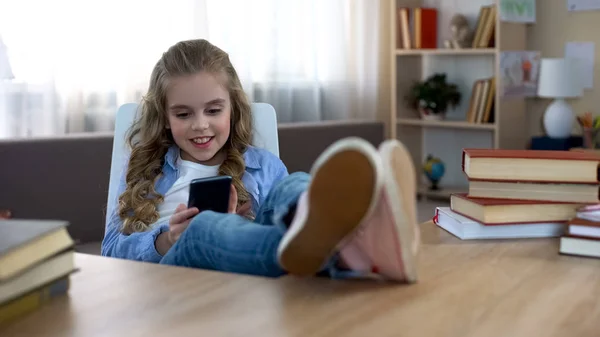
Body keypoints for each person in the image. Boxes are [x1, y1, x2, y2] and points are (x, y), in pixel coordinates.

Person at [101, 39, 420, 282]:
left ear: (232, 108)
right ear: (165, 117)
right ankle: (352, 251)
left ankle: (355, 233)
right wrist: (167, 240)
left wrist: (244, 226)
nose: (200, 125)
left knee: (294, 184)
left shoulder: (261, 165)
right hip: (175, 280)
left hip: (241, 282)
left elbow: (265, 227)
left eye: (213, 110)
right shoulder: (145, 168)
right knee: (204, 228)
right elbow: (110, 252)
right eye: (184, 114)